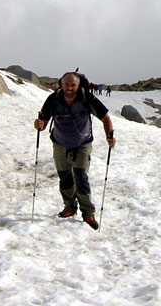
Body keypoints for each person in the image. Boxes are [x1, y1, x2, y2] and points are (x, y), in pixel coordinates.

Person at [34, 71, 116, 230]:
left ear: (78, 86)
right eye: (66, 84)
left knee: (80, 176)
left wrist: (109, 137)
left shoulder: (87, 98)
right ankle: (70, 206)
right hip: (59, 143)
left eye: (73, 85)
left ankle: (87, 212)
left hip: (82, 143)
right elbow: (44, 121)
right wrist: (39, 125)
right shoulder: (54, 99)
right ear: (61, 84)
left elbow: (105, 118)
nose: (69, 88)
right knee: (64, 177)